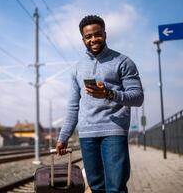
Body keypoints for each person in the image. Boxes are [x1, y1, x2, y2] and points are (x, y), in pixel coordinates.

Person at [56, 15, 144, 193]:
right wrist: (63, 136)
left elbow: (137, 97)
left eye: (97, 34)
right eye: (88, 36)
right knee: (96, 187)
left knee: (116, 188)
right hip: (87, 134)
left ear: (105, 34)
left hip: (113, 131)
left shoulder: (123, 62)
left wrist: (108, 93)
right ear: (83, 39)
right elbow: (73, 106)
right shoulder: (77, 68)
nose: (93, 39)